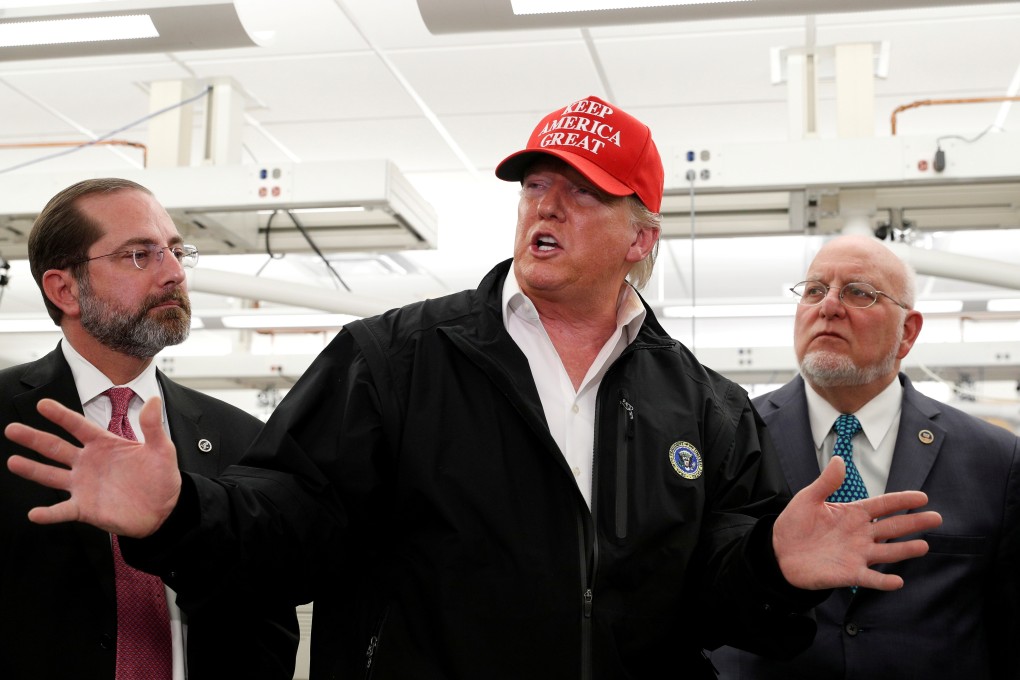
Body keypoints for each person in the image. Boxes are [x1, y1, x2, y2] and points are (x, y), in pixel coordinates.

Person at [6, 98, 941, 680]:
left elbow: (714, 608)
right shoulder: (393, 361)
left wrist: (774, 567)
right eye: (536, 185)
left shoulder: (702, 406)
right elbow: (291, 528)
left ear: (641, 238)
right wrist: (182, 517)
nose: (547, 205)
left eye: (583, 192)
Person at [0, 178, 299, 680]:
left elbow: (268, 621)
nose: (175, 273)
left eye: (177, 251)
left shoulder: (241, 438)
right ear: (64, 289)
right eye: (140, 254)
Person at [709, 234, 1020, 680]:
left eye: (858, 292)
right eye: (814, 290)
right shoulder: (728, 438)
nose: (828, 306)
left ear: (907, 332)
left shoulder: (994, 460)